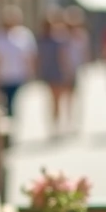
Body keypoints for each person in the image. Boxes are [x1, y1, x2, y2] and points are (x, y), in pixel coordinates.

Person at [0, 5, 37, 115]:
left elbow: (30, 56)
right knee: (3, 103)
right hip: (2, 76)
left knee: (14, 103)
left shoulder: (24, 35)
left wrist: (31, 73)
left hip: (18, 75)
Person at [36, 8, 72, 137]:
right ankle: (55, 122)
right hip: (52, 72)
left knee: (55, 99)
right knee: (55, 99)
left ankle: (56, 122)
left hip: (53, 71)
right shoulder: (47, 40)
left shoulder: (52, 40)